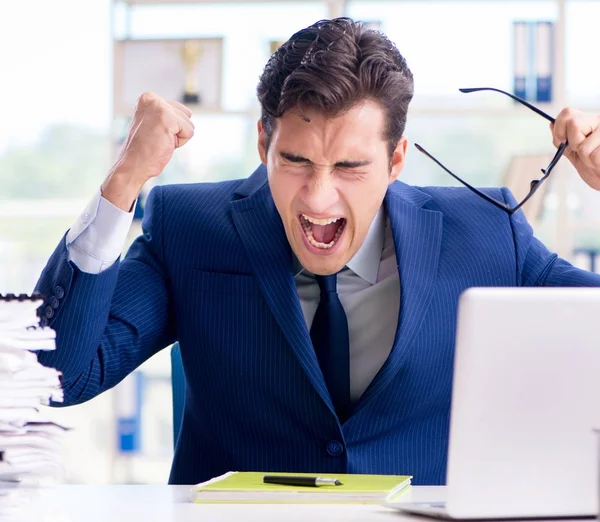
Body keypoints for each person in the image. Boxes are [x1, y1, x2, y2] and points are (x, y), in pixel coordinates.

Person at [35, 17, 600, 485]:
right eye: (296, 161)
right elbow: (55, 376)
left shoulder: (484, 233)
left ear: (397, 158)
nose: (319, 196)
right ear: (263, 143)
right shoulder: (190, 228)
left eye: (351, 166)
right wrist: (123, 180)